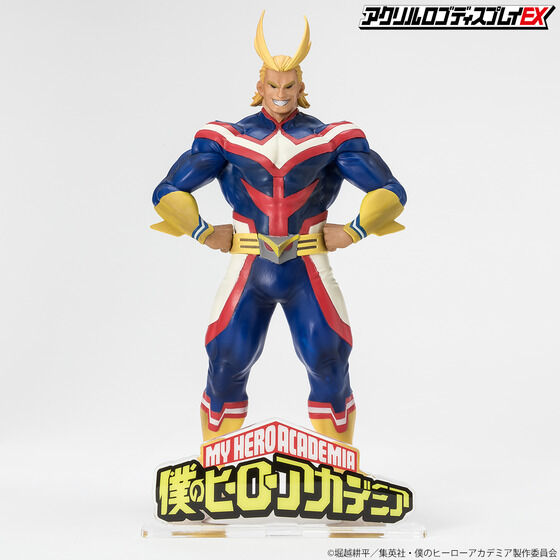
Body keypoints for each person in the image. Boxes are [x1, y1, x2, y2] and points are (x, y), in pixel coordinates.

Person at [151, 12, 406, 444]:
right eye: (273, 85)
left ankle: (340, 466)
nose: (281, 94)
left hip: (308, 264)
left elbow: (390, 191)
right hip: (248, 263)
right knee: (226, 361)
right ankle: (213, 462)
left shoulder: (331, 138)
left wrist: (355, 230)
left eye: (289, 86)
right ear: (260, 85)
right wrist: (203, 231)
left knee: (328, 360)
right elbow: (168, 191)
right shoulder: (227, 138)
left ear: (301, 87)